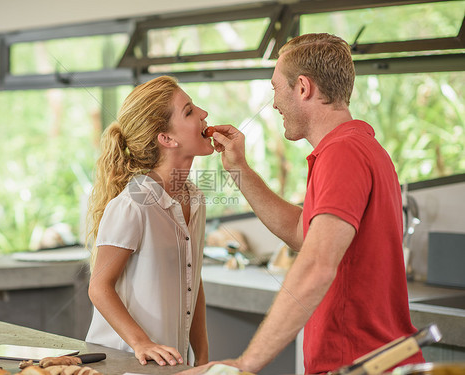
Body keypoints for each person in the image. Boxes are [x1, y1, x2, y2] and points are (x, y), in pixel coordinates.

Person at [181, 33, 424, 374]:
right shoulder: (358, 147)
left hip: (357, 363)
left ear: (304, 88)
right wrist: (240, 170)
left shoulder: (343, 154)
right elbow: (303, 234)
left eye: (275, 88)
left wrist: (245, 364)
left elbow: (315, 265)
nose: (275, 102)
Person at [85, 76, 213, 368]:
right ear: (166, 139)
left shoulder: (196, 199)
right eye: (190, 111)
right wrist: (141, 342)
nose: (204, 114)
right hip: (125, 361)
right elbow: (99, 287)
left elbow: (194, 280)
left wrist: (202, 355)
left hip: (169, 362)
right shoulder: (133, 204)